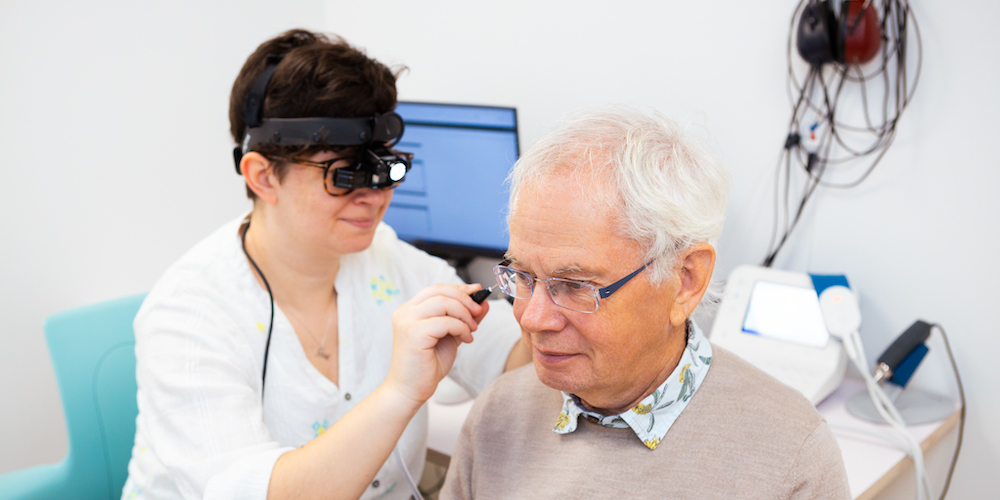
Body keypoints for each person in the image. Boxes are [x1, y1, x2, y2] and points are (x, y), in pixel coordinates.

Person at [121, 29, 529, 500]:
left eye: (385, 170)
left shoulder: (389, 261)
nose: (376, 198)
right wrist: (399, 392)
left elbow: (509, 360)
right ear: (262, 176)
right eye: (344, 175)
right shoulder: (189, 315)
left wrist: (555, 296)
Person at [440, 107, 851, 499]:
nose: (533, 319)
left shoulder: (790, 456)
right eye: (522, 277)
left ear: (685, 281)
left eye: (574, 285)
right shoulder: (498, 412)